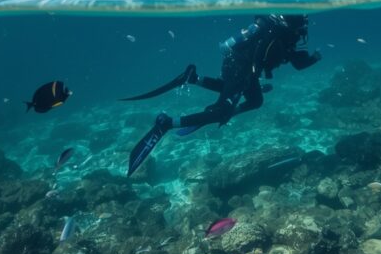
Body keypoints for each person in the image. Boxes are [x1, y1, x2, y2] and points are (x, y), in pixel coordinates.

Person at [124, 13, 321, 175]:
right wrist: (252, 77)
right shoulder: (276, 33)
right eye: (301, 23)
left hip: (239, 66)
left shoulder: (283, 34)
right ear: (292, 22)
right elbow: (259, 57)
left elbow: (293, 61)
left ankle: (193, 79)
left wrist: (313, 58)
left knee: (255, 100)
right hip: (238, 67)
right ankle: (166, 123)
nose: (303, 28)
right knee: (221, 111)